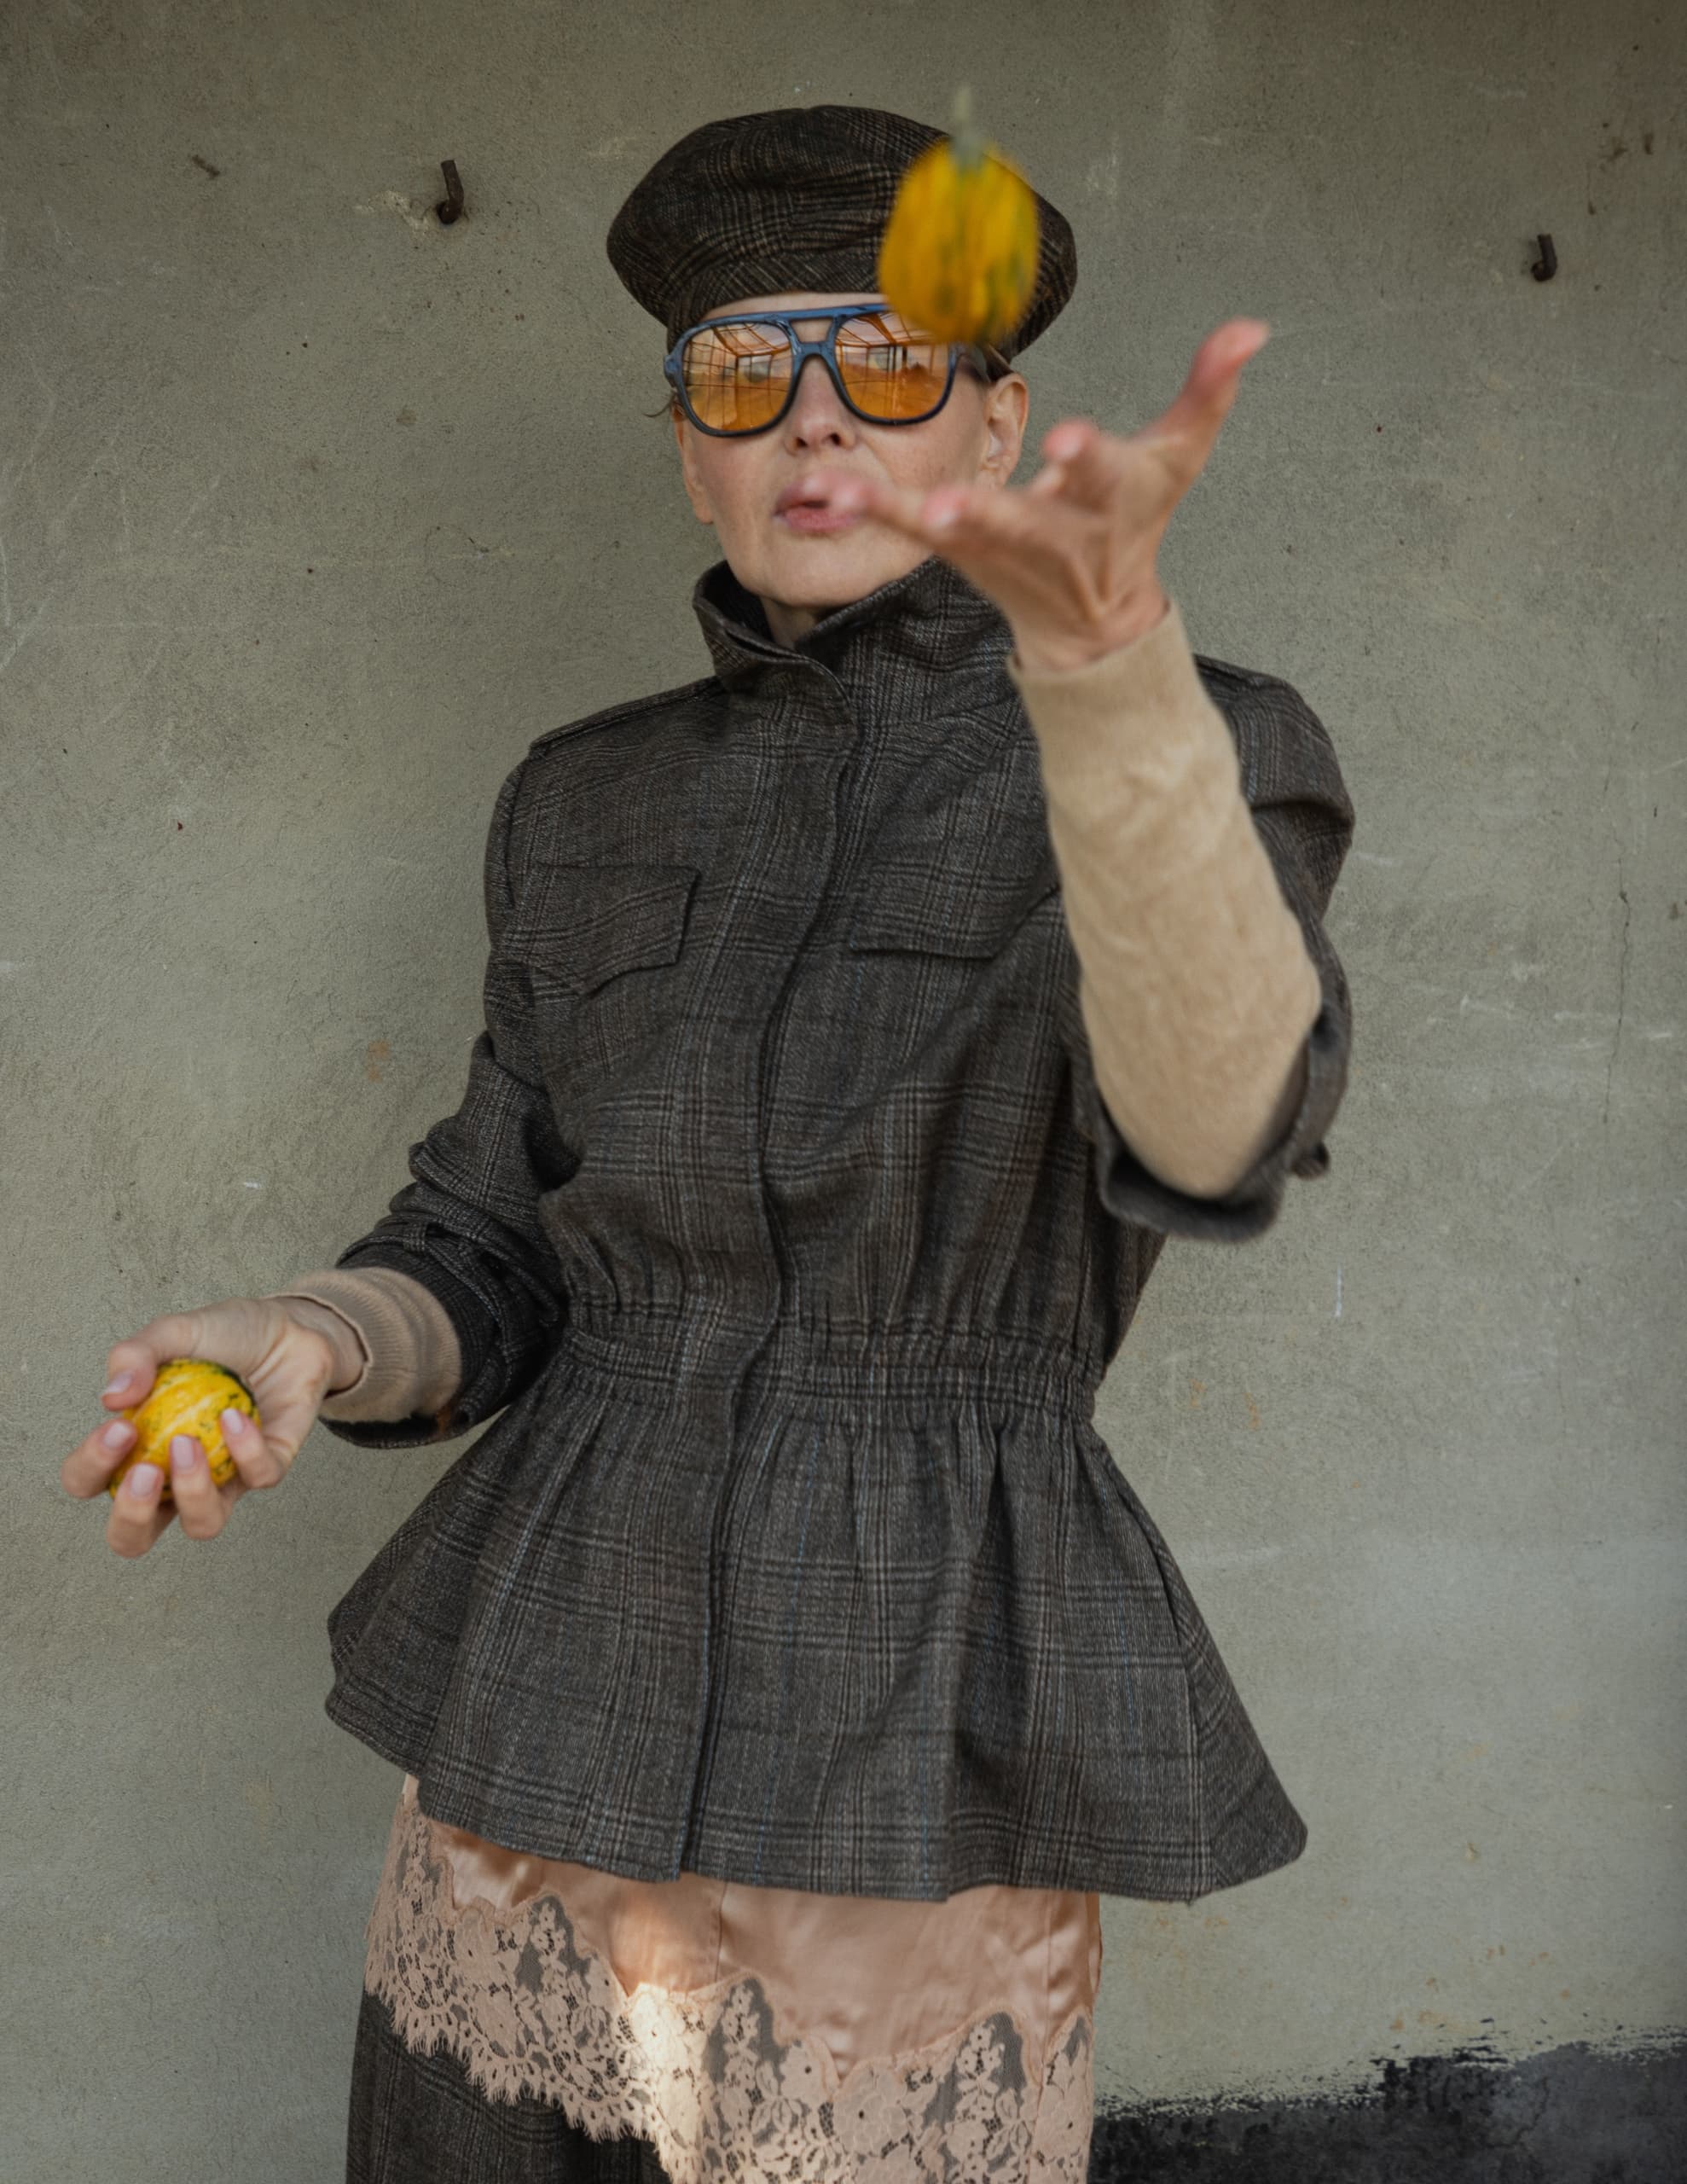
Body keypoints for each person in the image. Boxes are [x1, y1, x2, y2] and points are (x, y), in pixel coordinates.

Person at [62, 104, 1354, 2183]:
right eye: (746, 375)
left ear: (1000, 423)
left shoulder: (1196, 746)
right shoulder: (579, 801)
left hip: (910, 1697)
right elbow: (490, 1238)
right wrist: (315, 1331)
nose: (812, 428)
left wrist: (1115, 700)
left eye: (891, 365)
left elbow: (1220, 1124)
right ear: (688, 437)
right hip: (541, 1676)